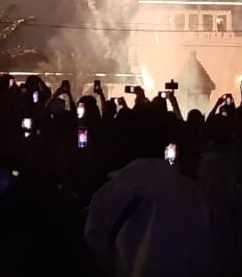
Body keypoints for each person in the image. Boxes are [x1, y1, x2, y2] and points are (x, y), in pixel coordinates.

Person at [84, 110, 214, 276]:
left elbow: (95, 251)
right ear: (166, 143)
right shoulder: (189, 192)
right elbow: (201, 254)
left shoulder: (107, 193)